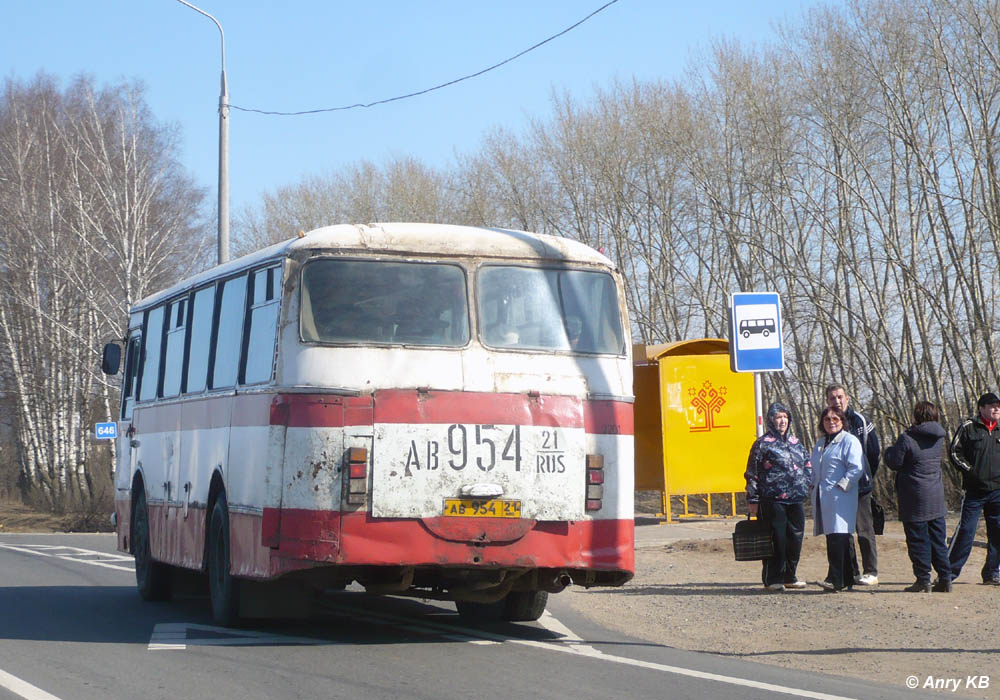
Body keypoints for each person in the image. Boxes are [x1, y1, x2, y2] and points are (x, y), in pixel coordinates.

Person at [744, 403, 813, 592]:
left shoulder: (795, 442)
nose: (782, 421)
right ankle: (773, 578)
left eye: (785, 417)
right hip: (772, 499)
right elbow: (752, 473)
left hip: (795, 498)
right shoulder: (762, 444)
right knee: (776, 539)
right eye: (778, 417)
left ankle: (790, 576)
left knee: (795, 539)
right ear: (771, 420)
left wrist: (805, 483)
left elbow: (807, 464)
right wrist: (753, 499)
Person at [884, 401, 951, 592]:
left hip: (914, 497)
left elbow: (895, 462)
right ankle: (945, 578)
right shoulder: (939, 436)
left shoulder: (907, 438)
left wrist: (889, 450)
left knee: (918, 540)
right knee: (938, 539)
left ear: (916, 416)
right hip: (936, 495)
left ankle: (923, 579)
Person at [826, 384, 880, 586]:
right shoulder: (828, 422)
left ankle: (871, 571)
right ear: (827, 401)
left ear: (847, 398)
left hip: (859, 486)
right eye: (832, 398)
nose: (837, 401)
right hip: (836, 489)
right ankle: (849, 571)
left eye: (840, 397)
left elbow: (874, 453)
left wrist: (865, 475)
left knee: (864, 529)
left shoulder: (861, 421)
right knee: (841, 531)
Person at [945, 392, 1000, 586]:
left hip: (997, 491)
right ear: (981, 408)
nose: (996, 409)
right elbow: (954, 452)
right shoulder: (969, 427)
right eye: (992, 406)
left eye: (998, 406)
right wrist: (971, 471)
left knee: (997, 532)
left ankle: (992, 573)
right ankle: (948, 573)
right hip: (974, 491)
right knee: (966, 531)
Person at [811, 406, 865, 592]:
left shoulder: (849, 441)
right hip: (824, 497)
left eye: (836, 418)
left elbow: (856, 467)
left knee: (838, 538)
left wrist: (843, 485)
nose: (831, 422)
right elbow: (815, 468)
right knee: (834, 536)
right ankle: (847, 577)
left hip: (841, 497)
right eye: (827, 419)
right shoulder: (820, 443)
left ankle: (835, 578)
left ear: (842, 421)